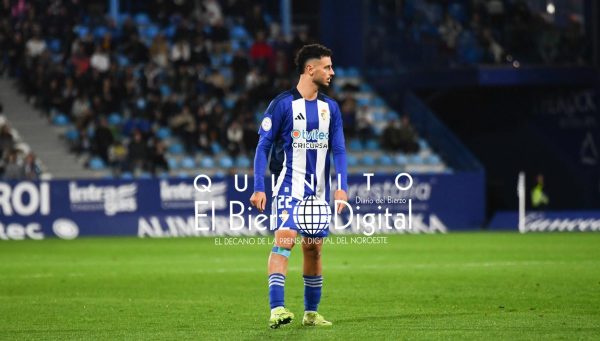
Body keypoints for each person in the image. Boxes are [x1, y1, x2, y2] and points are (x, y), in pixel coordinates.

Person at [250, 44, 348, 329]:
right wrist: (259, 187)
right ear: (310, 69)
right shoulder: (281, 105)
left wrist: (340, 187)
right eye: (327, 67)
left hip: (318, 194)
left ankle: (311, 313)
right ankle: (277, 308)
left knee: (314, 250)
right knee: (284, 241)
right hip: (288, 189)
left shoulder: (331, 108)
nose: (332, 72)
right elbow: (262, 147)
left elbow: (338, 150)